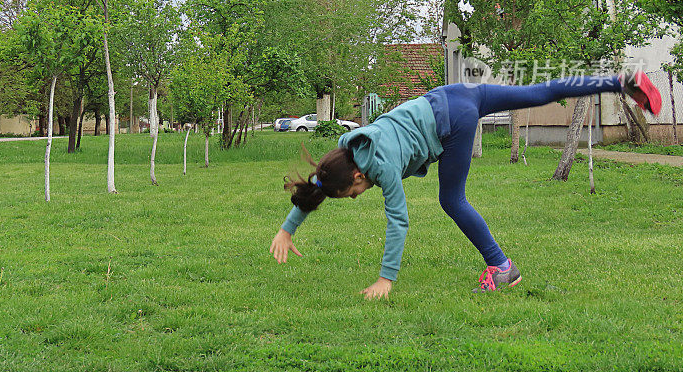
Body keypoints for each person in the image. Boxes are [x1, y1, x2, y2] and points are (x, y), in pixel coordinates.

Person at [269, 71, 662, 299]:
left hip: (451, 121)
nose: (355, 197)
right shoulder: (344, 148)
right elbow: (320, 182)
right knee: (539, 92)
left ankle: (502, 266)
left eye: (352, 194)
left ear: (357, 176)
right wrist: (288, 228)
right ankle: (619, 82)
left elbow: (398, 222)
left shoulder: (382, 168)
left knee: (451, 199)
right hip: (454, 94)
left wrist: (385, 279)